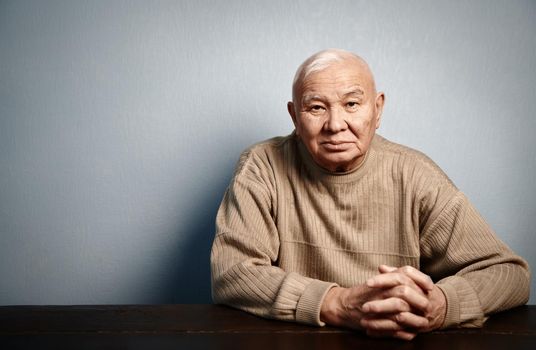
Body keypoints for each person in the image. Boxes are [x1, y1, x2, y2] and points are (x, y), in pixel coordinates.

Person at [210, 49, 530, 340]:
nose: (335, 124)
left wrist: (442, 305)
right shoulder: (262, 166)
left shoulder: (414, 174)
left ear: (377, 110)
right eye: (316, 108)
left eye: (351, 104)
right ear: (295, 117)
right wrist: (336, 303)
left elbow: (510, 275)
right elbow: (232, 272)